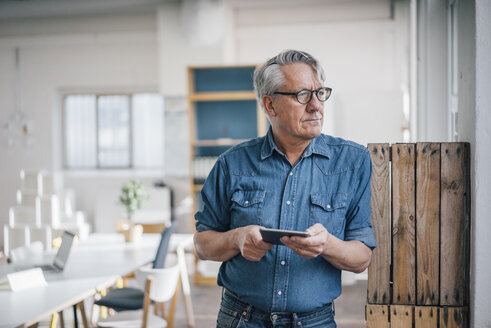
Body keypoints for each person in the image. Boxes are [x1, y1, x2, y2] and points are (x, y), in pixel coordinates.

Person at [194, 49, 376, 328]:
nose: (316, 106)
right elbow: (202, 244)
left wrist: (327, 244)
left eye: (320, 93)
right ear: (270, 105)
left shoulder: (353, 162)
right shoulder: (232, 164)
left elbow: (362, 257)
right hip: (241, 319)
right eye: (303, 95)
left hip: (315, 321)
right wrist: (237, 238)